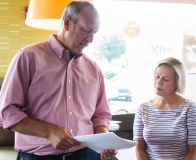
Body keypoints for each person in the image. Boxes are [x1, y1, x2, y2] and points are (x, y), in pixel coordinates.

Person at [0, 1, 117, 160]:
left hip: (87, 155)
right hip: (38, 157)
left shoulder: (94, 68)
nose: (90, 39)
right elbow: (7, 112)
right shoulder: (28, 57)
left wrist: (103, 139)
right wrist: (49, 132)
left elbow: (101, 114)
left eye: (94, 32)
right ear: (67, 23)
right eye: (86, 30)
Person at [133, 57, 196, 160]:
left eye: (165, 79)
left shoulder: (190, 108)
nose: (159, 82)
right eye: (157, 76)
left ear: (177, 83)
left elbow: (195, 152)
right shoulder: (143, 108)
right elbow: (139, 148)